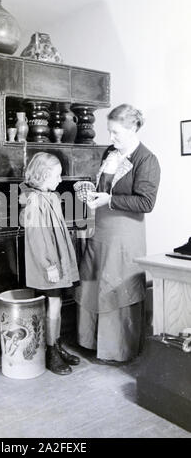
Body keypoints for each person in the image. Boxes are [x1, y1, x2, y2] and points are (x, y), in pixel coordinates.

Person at [76, 104, 161, 363]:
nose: (111, 138)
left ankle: (117, 349)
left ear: (133, 128)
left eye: (116, 133)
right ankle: (89, 341)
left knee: (116, 284)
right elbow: (106, 188)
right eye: (109, 131)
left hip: (125, 234)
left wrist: (108, 200)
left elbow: (146, 203)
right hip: (101, 229)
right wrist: (92, 195)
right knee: (92, 281)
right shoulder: (109, 153)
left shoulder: (147, 160)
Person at [19, 152, 80, 375]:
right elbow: (36, 238)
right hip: (47, 264)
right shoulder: (34, 200)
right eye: (57, 175)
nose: (61, 179)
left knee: (57, 304)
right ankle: (50, 352)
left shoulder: (51, 197)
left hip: (57, 260)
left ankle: (55, 345)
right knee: (53, 305)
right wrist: (49, 265)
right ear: (44, 175)